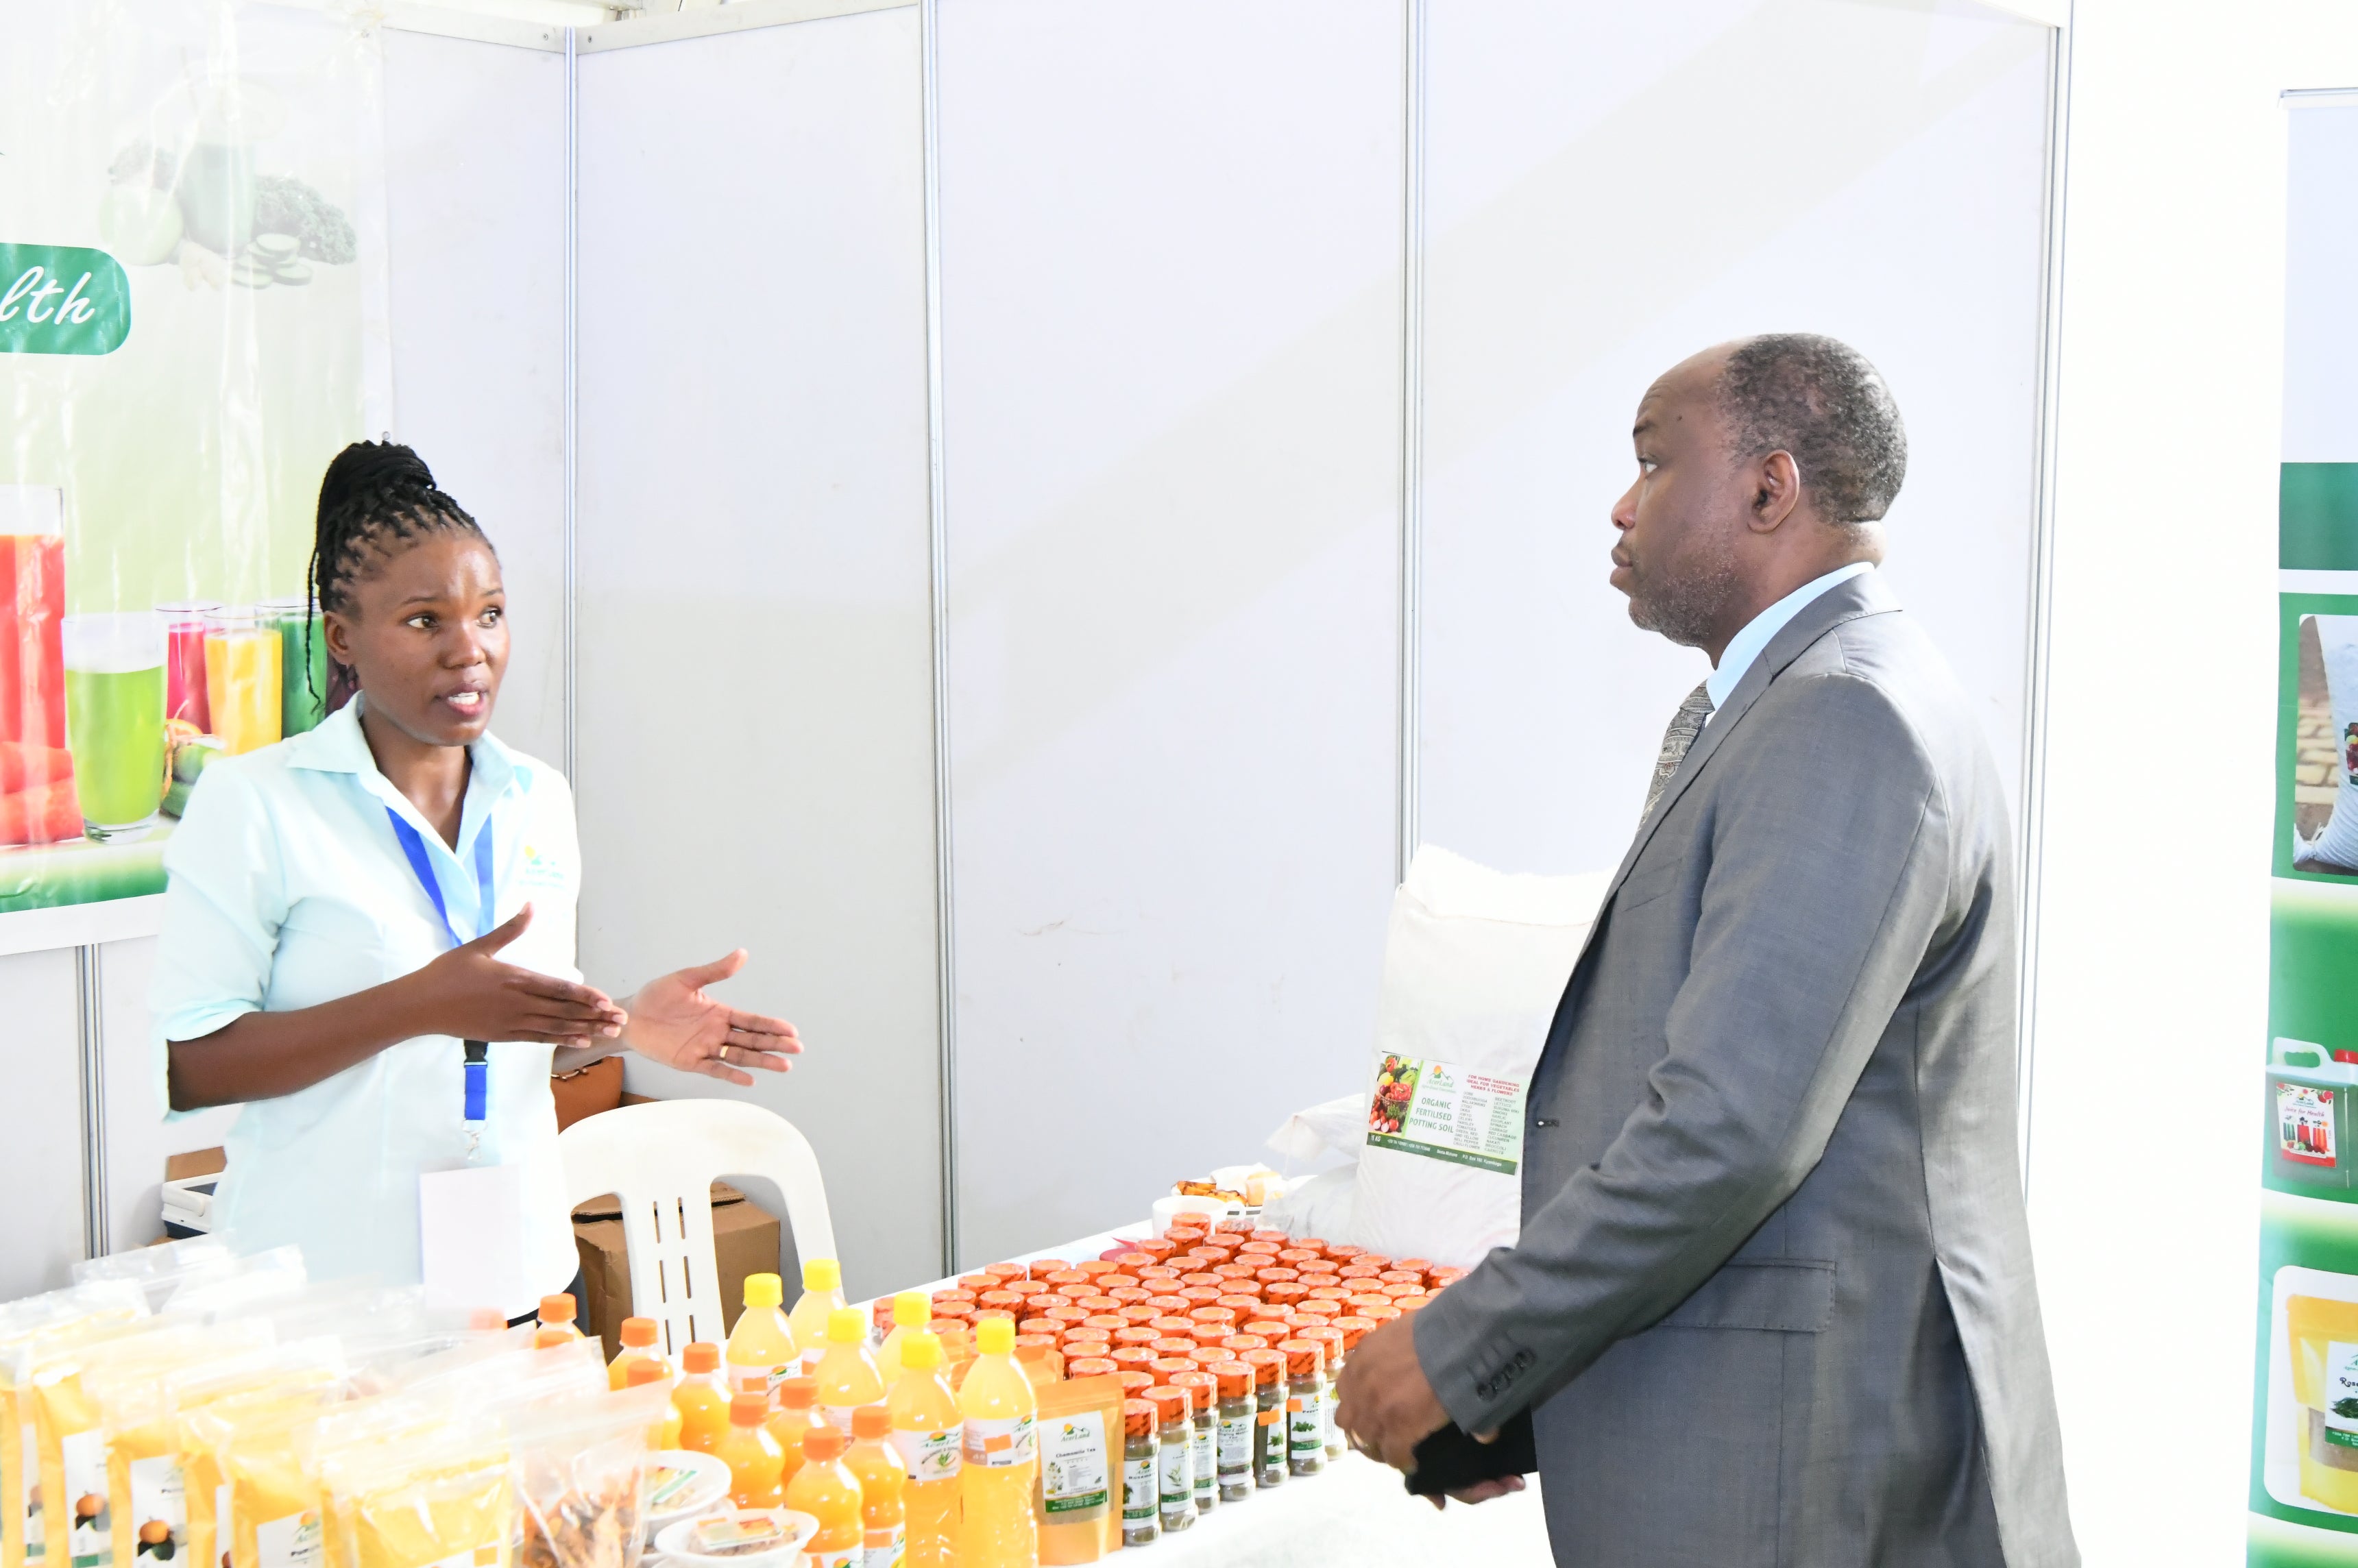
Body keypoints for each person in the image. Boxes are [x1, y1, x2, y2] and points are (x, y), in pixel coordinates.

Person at [1334, 336, 2076, 1565]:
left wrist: (1471, 1346)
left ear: (1769, 489)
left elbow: (1728, 1131)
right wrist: (1531, 1392)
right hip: (1775, 1419)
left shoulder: (1844, 716)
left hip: (1809, 1462)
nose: (1621, 506)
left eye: (1650, 462)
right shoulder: (1809, 695)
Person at [152, 441, 802, 1314]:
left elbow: (505, 1023)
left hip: (517, 1273)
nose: (471, 651)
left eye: (490, 614)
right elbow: (193, 1065)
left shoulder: (539, 796)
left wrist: (619, 1026)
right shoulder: (256, 802)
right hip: (324, 1291)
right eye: (425, 621)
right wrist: (421, 1003)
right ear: (342, 636)